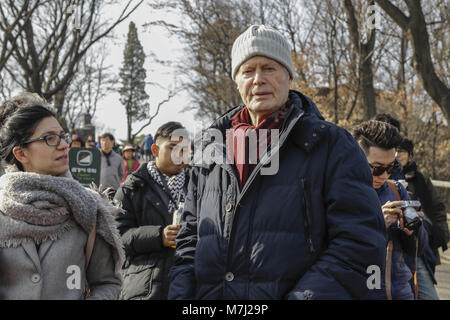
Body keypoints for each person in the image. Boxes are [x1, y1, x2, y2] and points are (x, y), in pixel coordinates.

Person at [168, 25, 387, 300]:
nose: (258, 79)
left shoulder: (332, 145)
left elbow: (359, 244)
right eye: (247, 71)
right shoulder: (210, 149)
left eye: (269, 68)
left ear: (288, 76)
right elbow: (188, 242)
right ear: (237, 81)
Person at [0, 97, 124, 299]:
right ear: (21, 153)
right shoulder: (2, 208)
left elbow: (108, 283)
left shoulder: (87, 207)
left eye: (62, 136)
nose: (64, 145)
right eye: (50, 138)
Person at [352, 120, 429, 300]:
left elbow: (420, 249)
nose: (385, 175)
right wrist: (378, 222)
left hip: (400, 293)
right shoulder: (338, 192)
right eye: (377, 169)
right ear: (356, 158)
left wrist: (413, 230)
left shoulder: (397, 189)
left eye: (391, 167)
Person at [114, 122, 190, 300]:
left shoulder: (199, 186)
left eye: (185, 149)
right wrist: (158, 236)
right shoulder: (131, 188)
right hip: (144, 286)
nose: (180, 154)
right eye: (173, 147)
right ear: (155, 150)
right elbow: (117, 237)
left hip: (190, 284)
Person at [397, 138, 449, 299]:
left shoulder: (421, 179)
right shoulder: (383, 176)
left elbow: (438, 208)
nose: (398, 155)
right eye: (396, 151)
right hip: (397, 246)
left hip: (422, 246)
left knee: (426, 293)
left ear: (409, 155)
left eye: (402, 152)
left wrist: (439, 233)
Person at [99, 132, 124, 199]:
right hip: (99, 189)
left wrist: (115, 180)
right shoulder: (96, 156)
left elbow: (121, 174)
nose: (104, 142)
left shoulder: (118, 158)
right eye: (102, 140)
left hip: (114, 188)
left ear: (112, 142)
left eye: (107, 140)